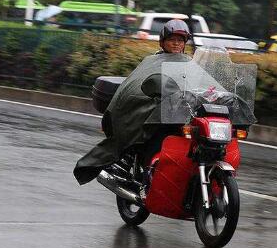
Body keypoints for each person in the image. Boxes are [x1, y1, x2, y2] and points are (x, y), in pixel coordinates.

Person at [73, 19, 192, 185]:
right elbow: (137, 87)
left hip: (182, 113)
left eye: (180, 41)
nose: (176, 44)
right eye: (172, 40)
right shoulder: (152, 62)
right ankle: (150, 174)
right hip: (156, 114)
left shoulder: (190, 63)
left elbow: (204, 86)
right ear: (163, 42)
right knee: (156, 135)